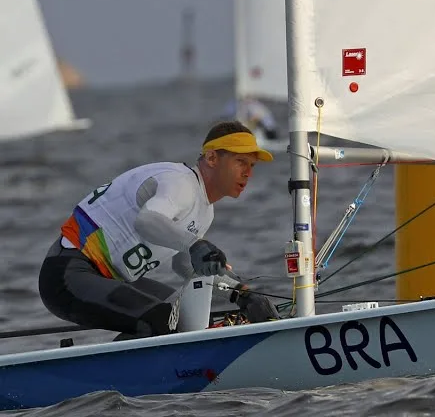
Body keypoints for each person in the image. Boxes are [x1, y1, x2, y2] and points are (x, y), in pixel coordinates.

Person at [38, 121, 281, 340]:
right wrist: (196, 245)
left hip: (108, 277)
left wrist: (241, 294)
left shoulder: (205, 212)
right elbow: (147, 221)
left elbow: (185, 266)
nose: (248, 172)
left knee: (190, 316)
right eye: (240, 162)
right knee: (163, 320)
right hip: (68, 273)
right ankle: (100, 381)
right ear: (211, 158)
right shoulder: (180, 182)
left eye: (251, 165)